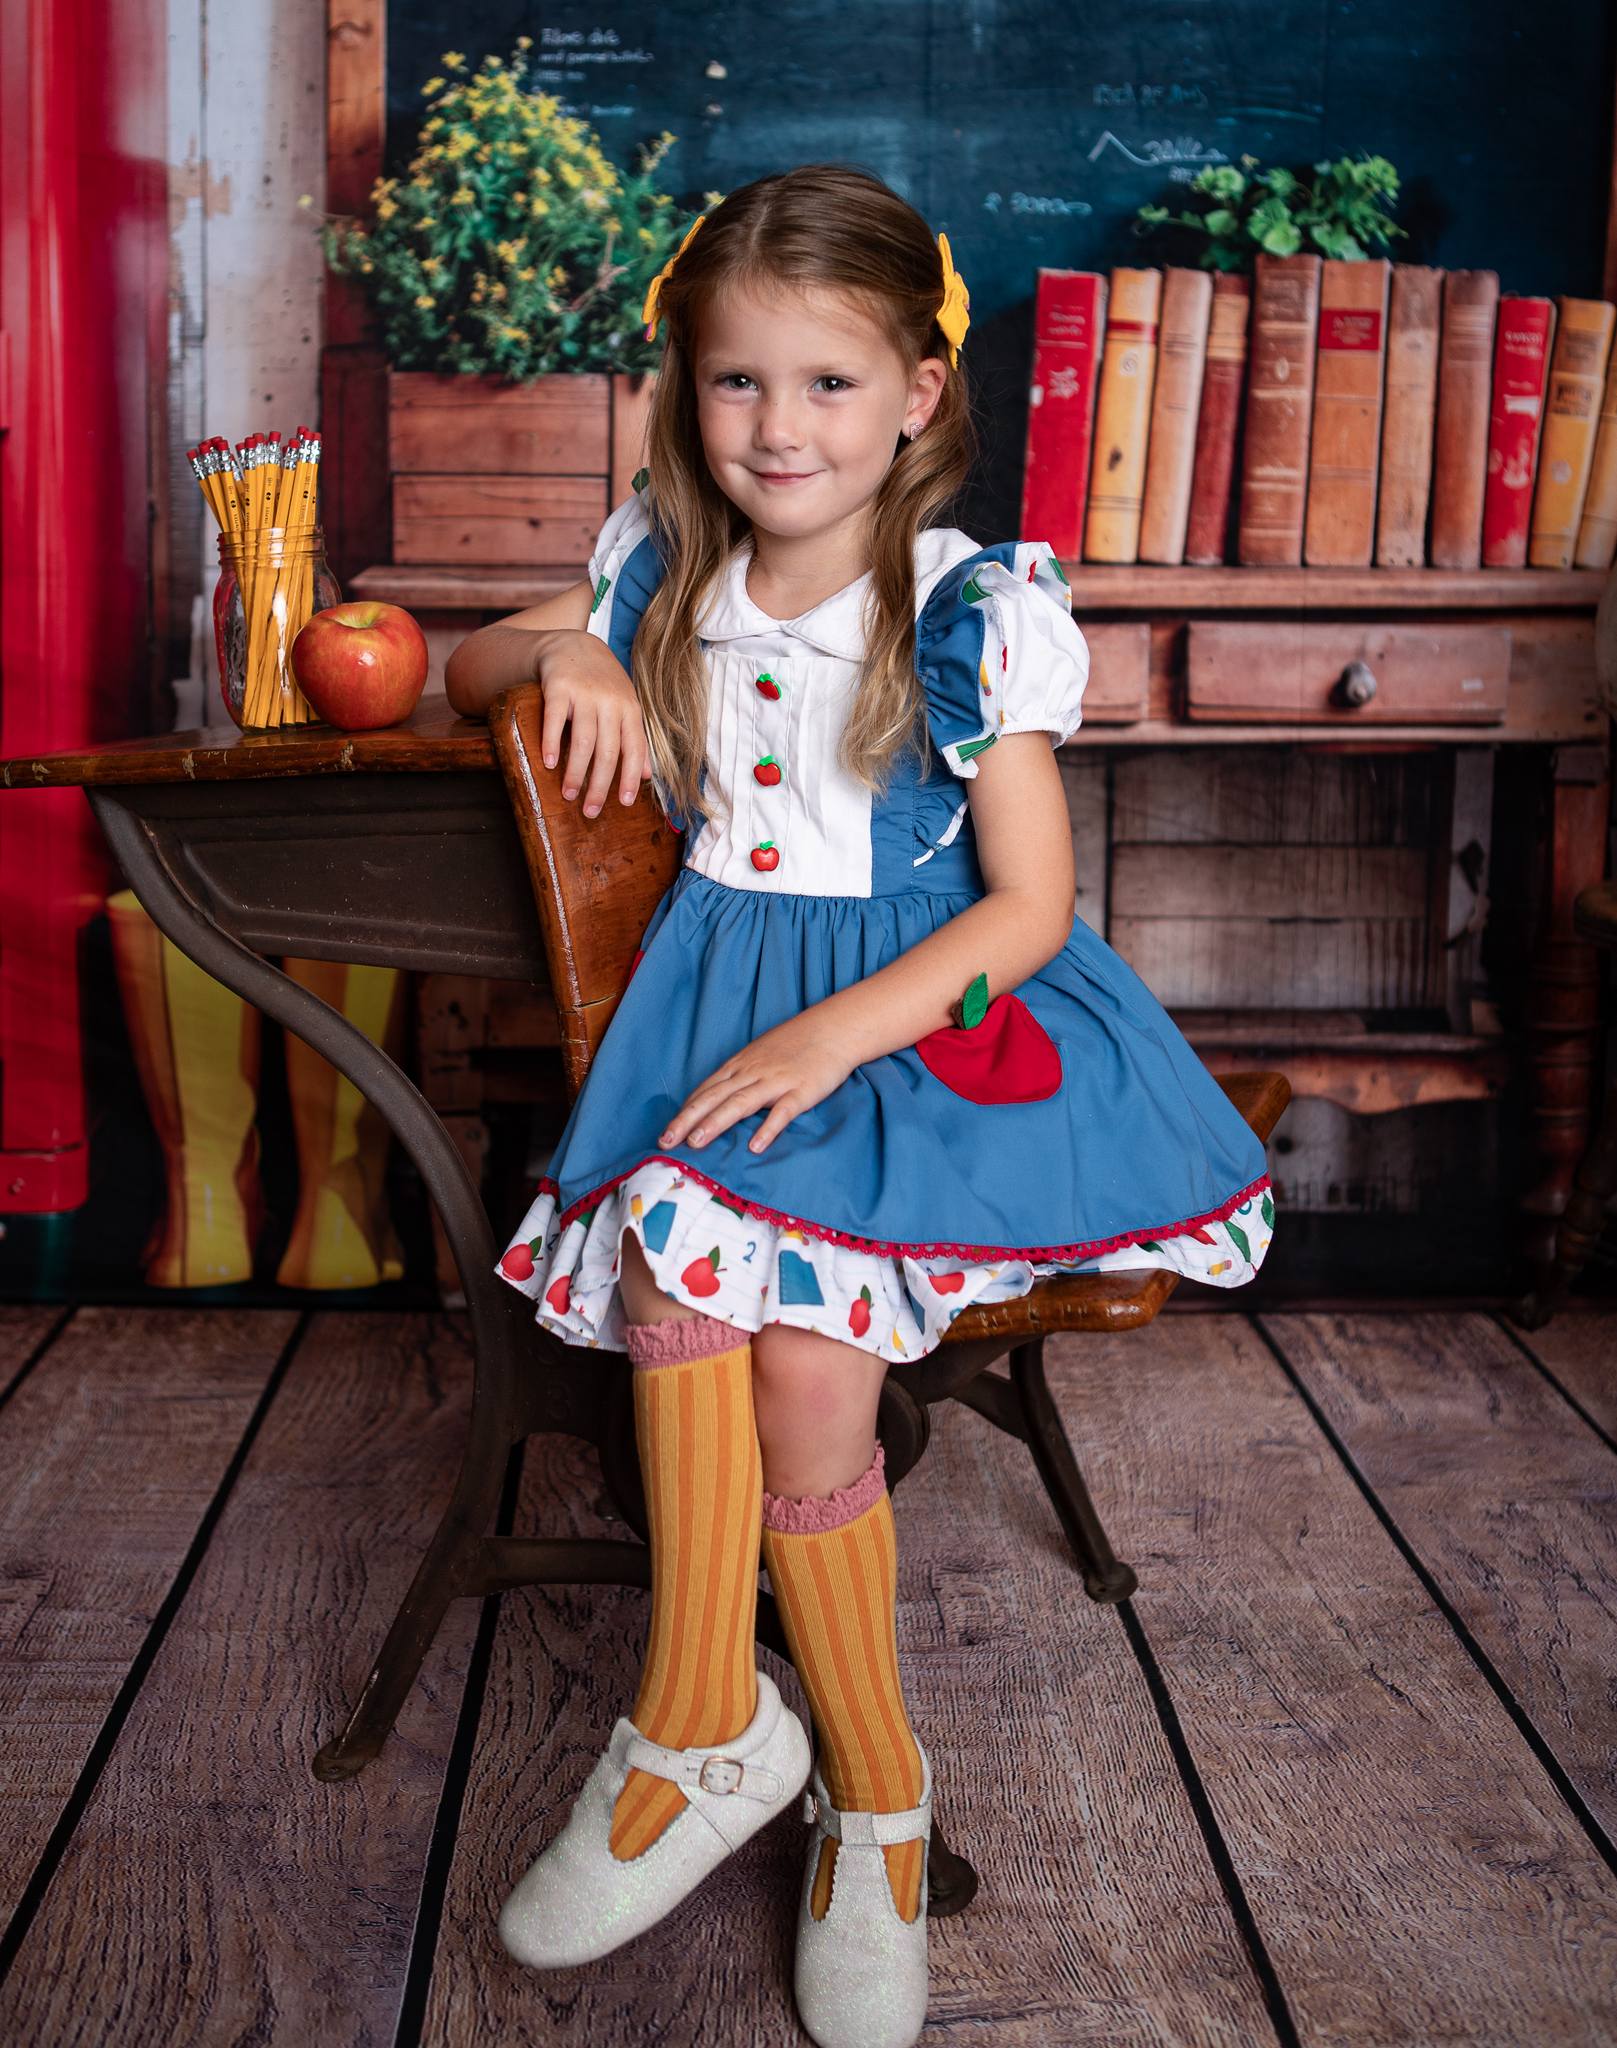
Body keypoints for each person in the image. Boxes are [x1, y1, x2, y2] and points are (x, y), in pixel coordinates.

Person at [445, 162, 1275, 2048]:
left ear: (916, 391)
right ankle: (705, 1726)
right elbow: (470, 659)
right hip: (719, 1009)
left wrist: (842, 1038)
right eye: (735, 383)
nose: (777, 427)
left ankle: (874, 1809)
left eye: (827, 384)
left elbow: (1031, 905)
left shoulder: (972, 605)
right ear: (684, 394)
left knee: (807, 1363)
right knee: (675, 1279)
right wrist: (565, 650)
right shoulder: (658, 569)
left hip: (917, 1023)